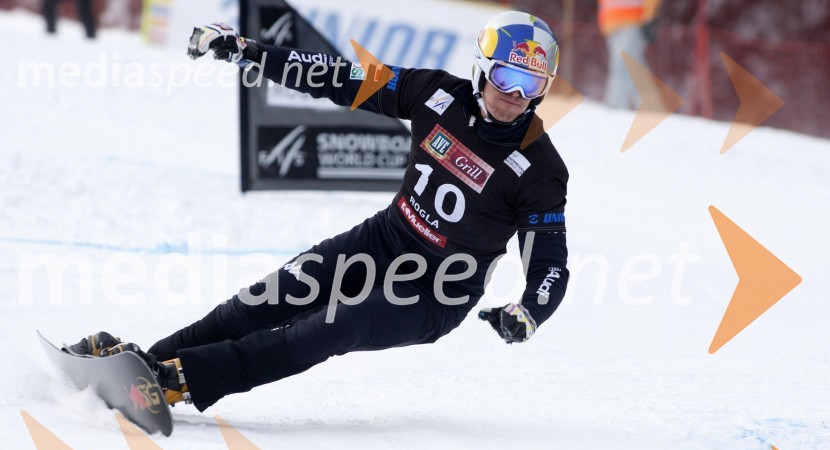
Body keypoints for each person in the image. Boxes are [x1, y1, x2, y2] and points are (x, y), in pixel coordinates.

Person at [69, 12, 571, 412]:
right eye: (506, 76)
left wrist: (530, 310)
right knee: (262, 300)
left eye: (532, 84)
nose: (514, 96)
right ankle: (145, 366)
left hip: (438, 289)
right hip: (386, 240)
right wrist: (251, 53)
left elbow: (549, 262)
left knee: (334, 325)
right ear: (483, 67)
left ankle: (180, 381)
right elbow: (341, 78)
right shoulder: (435, 94)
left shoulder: (540, 167)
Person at [598, 0, 661, 109]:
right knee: (635, 67)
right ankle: (651, 107)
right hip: (611, 22)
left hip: (633, 20)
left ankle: (614, 107)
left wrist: (649, 15)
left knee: (623, 66)